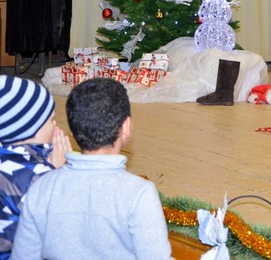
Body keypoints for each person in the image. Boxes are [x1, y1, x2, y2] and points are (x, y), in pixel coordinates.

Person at [11, 78, 171, 259]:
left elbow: (23, 255)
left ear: (73, 131)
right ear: (126, 127)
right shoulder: (139, 193)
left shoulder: (42, 187)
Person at [0, 75, 71, 260]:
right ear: (28, 128)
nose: (56, 125)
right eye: (52, 120)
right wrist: (57, 173)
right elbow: (61, 224)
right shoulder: (37, 177)